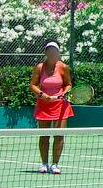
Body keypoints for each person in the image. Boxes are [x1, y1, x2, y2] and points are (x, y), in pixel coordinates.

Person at [31, 40, 73, 174]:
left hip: (61, 105)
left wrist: (64, 93)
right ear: (46, 53)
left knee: (59, 135)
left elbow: (68, 84)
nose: (52, 53)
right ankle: (44, 164)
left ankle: (55, 165)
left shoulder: (63, 67)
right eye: (50, 51)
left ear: (58, 53)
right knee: (44, 136)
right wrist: (43, 95)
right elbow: (33, 84)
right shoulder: (39, 67)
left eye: (55, 51)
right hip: (44, 105)